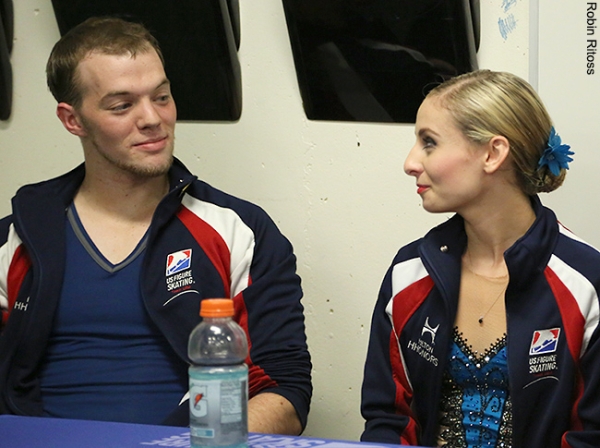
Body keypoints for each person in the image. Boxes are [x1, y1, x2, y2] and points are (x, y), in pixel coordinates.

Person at [0, 16, 311, 434]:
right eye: (122, 105)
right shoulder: (16, 239)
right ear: (72, 120)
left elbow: (285, 393)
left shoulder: (240, 231)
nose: (152, 118)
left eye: (161, 97)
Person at [360, 69, 600, 447]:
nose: (410, 162)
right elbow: (388, 421)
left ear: (492, 153)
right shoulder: (408, 274)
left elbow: (593, 435)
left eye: (429, 142)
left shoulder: (587, 282)